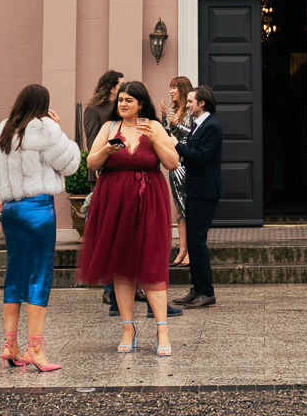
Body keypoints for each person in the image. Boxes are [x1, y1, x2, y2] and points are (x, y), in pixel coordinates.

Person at [76, 79, 182, 356]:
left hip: (150, 202)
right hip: (114, 203)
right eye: (120, 100)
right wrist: (106, 151)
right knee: (121, 264)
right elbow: (91, 162)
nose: (122, 104)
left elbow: (172, 163)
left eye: (128, 100)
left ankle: (162, 330)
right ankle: (127, 328)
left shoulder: (155, 126)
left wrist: (156, 138)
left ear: (141, 104)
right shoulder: (109, 127)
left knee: (151, 264)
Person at [0, 84, 82, 371]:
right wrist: (60, 129)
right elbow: (71, 165)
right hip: (38, 209)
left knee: (15, 272)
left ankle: (10, 343)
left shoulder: (4, 131)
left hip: (12, 210)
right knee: (39, 275)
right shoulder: (44, 128)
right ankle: (35, 348)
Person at [172, 86, 224, 309]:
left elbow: (202, 157)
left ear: (202, 103)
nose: (188, 104)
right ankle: (197, 289)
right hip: (194, 189)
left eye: (191, 101)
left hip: (205, 192)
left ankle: (207, 293)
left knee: (197, 242)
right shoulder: (198, 125)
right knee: (193, 243)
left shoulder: (211, 126)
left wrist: (178, 146)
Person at [165, 75, 195, 269]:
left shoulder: (191, 112)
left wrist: (176, 124)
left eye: (174, 87)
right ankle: (181, 249)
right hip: (174, 164)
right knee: (179, 210)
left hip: (185, 165)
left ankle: (190, 252)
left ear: (182, 90)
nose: (171, 91)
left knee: (187, 208)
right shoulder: (176, 111)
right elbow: (170, 135)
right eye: (170, 87)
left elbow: (190, 134)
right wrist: (165, 119)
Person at [82, 70, 125, 148]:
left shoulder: (123, 107)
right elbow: (92, 141)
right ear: (111, 88)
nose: (125, 88)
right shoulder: (93, 109)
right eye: (121, 85)